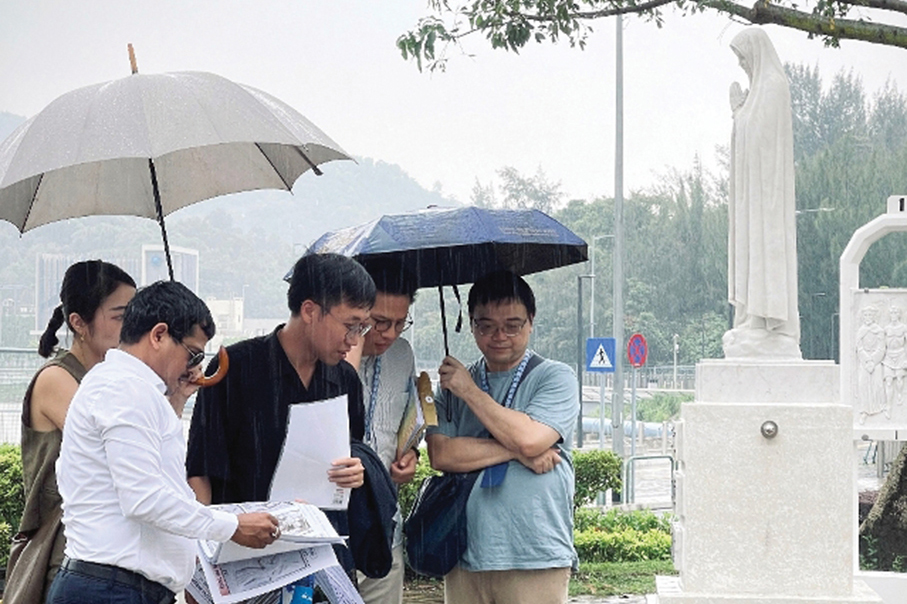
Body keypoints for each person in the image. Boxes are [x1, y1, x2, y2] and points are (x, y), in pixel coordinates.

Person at [47, 280, 279, 604]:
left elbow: (160, 477)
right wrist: (231, 526)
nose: (193, 366)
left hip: (122, 587)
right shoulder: (123, 389)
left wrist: (178, 399)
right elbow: (143, 498)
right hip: (113, 590)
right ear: (158, 335)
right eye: (193, 353)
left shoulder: (132, 389)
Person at [186, 253, 376, 569]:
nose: (354, 341)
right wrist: (201, 560)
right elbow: (201, 469)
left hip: (319, 553)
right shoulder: (235, 369)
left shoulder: (344, 380)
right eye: (350, 325)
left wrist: (355, 472)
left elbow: (352, 452)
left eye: (362, 328)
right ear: (310, 310)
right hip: (242, 556)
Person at [427, 270, 578, 604]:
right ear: (471, 324)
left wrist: (471, 392)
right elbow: (442, 455)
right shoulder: (451, 387)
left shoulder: (554, 376)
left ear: (531, 321)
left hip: (535, 552)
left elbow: (530, 439)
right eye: (486, 326)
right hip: (464, 551)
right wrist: (519, 452)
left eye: (513, 325)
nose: (499, 336)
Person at [4, 260, 135, 604]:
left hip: (103, 554)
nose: (131, 326)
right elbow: (114, 445)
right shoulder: (57, 379)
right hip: (62, 554)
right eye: (120, 316)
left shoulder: (109, 379)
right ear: (78, 322)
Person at [724, 27, 801, 359]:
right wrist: (739, 114)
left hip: (767, 196)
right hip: (753, 196)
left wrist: (740, 115)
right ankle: (752, 317)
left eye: (743, 57)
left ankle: (766, 319)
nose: (741, 64)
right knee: (750, 254)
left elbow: (763, 140)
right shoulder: (759, 91)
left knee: (764, 256)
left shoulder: (773, 87)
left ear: (756, 52)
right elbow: (750, 133)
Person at [350, 260, 420, 604]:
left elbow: (410, 419)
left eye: (400, 323)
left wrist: (412, 454)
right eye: (379, 322)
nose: (390, 334)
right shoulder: (327, 354)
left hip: (384, 527)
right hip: (336, 530)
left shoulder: (402, 355)